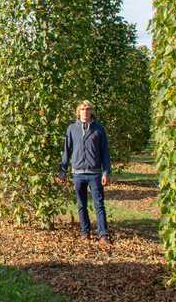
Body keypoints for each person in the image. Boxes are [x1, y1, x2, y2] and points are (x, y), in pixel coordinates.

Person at [57, 100, 112, 245]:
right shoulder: (72, 129)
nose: (85, 112)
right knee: (82, 205)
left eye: (87, 110)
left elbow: (105, 152)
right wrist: (63, 172)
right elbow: (66, 152)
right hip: (78, 173)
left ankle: (103, 235)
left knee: (99, 204)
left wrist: (106, 172)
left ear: (92, 112)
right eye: (82, 110)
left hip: (95, 173)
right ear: (78, 112)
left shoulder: (99, 130)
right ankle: (85, 232)